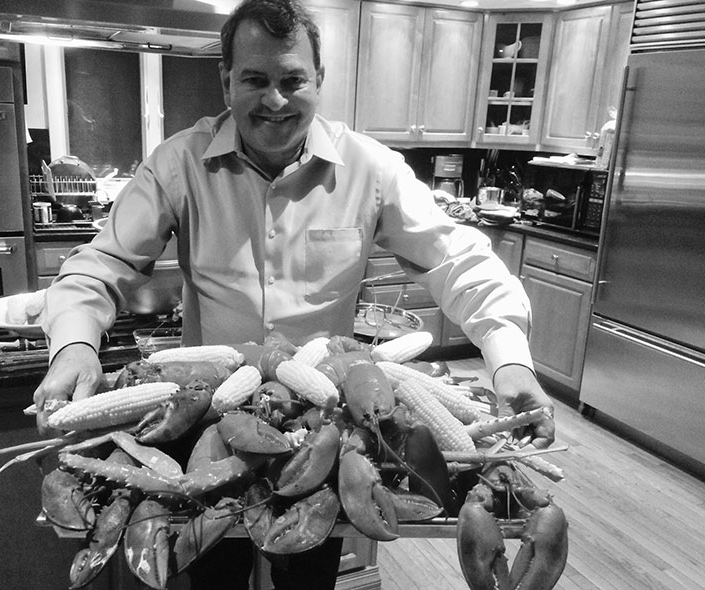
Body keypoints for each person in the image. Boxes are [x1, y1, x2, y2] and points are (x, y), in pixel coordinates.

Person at [34, 0, 556, 587]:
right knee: (215, 578)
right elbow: (99, 263)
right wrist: (74, 346)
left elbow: (460, 260)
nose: (275, 100)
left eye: (292, 80)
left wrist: (510, 359)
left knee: (308, 580)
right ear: (226, 80)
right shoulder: (179, 162)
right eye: (256, 80)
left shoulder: (371, 168)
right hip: (212, 419)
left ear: (319, 82)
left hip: (325, 430)